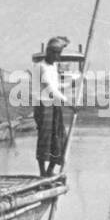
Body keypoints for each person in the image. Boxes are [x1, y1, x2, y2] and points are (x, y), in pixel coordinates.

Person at [34, 36, 70, 176]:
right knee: (45, 138)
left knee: (59, 137)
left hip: (55, 104)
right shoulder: (40, 67)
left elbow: (56, 86)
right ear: (48, 52)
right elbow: (49, 88)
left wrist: (73, 83)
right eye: (55, 53)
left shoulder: (53, 66)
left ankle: (50, 171)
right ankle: (42, 172)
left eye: (59, 53)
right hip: (43, 105)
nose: (57, 56)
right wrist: (68, 102)